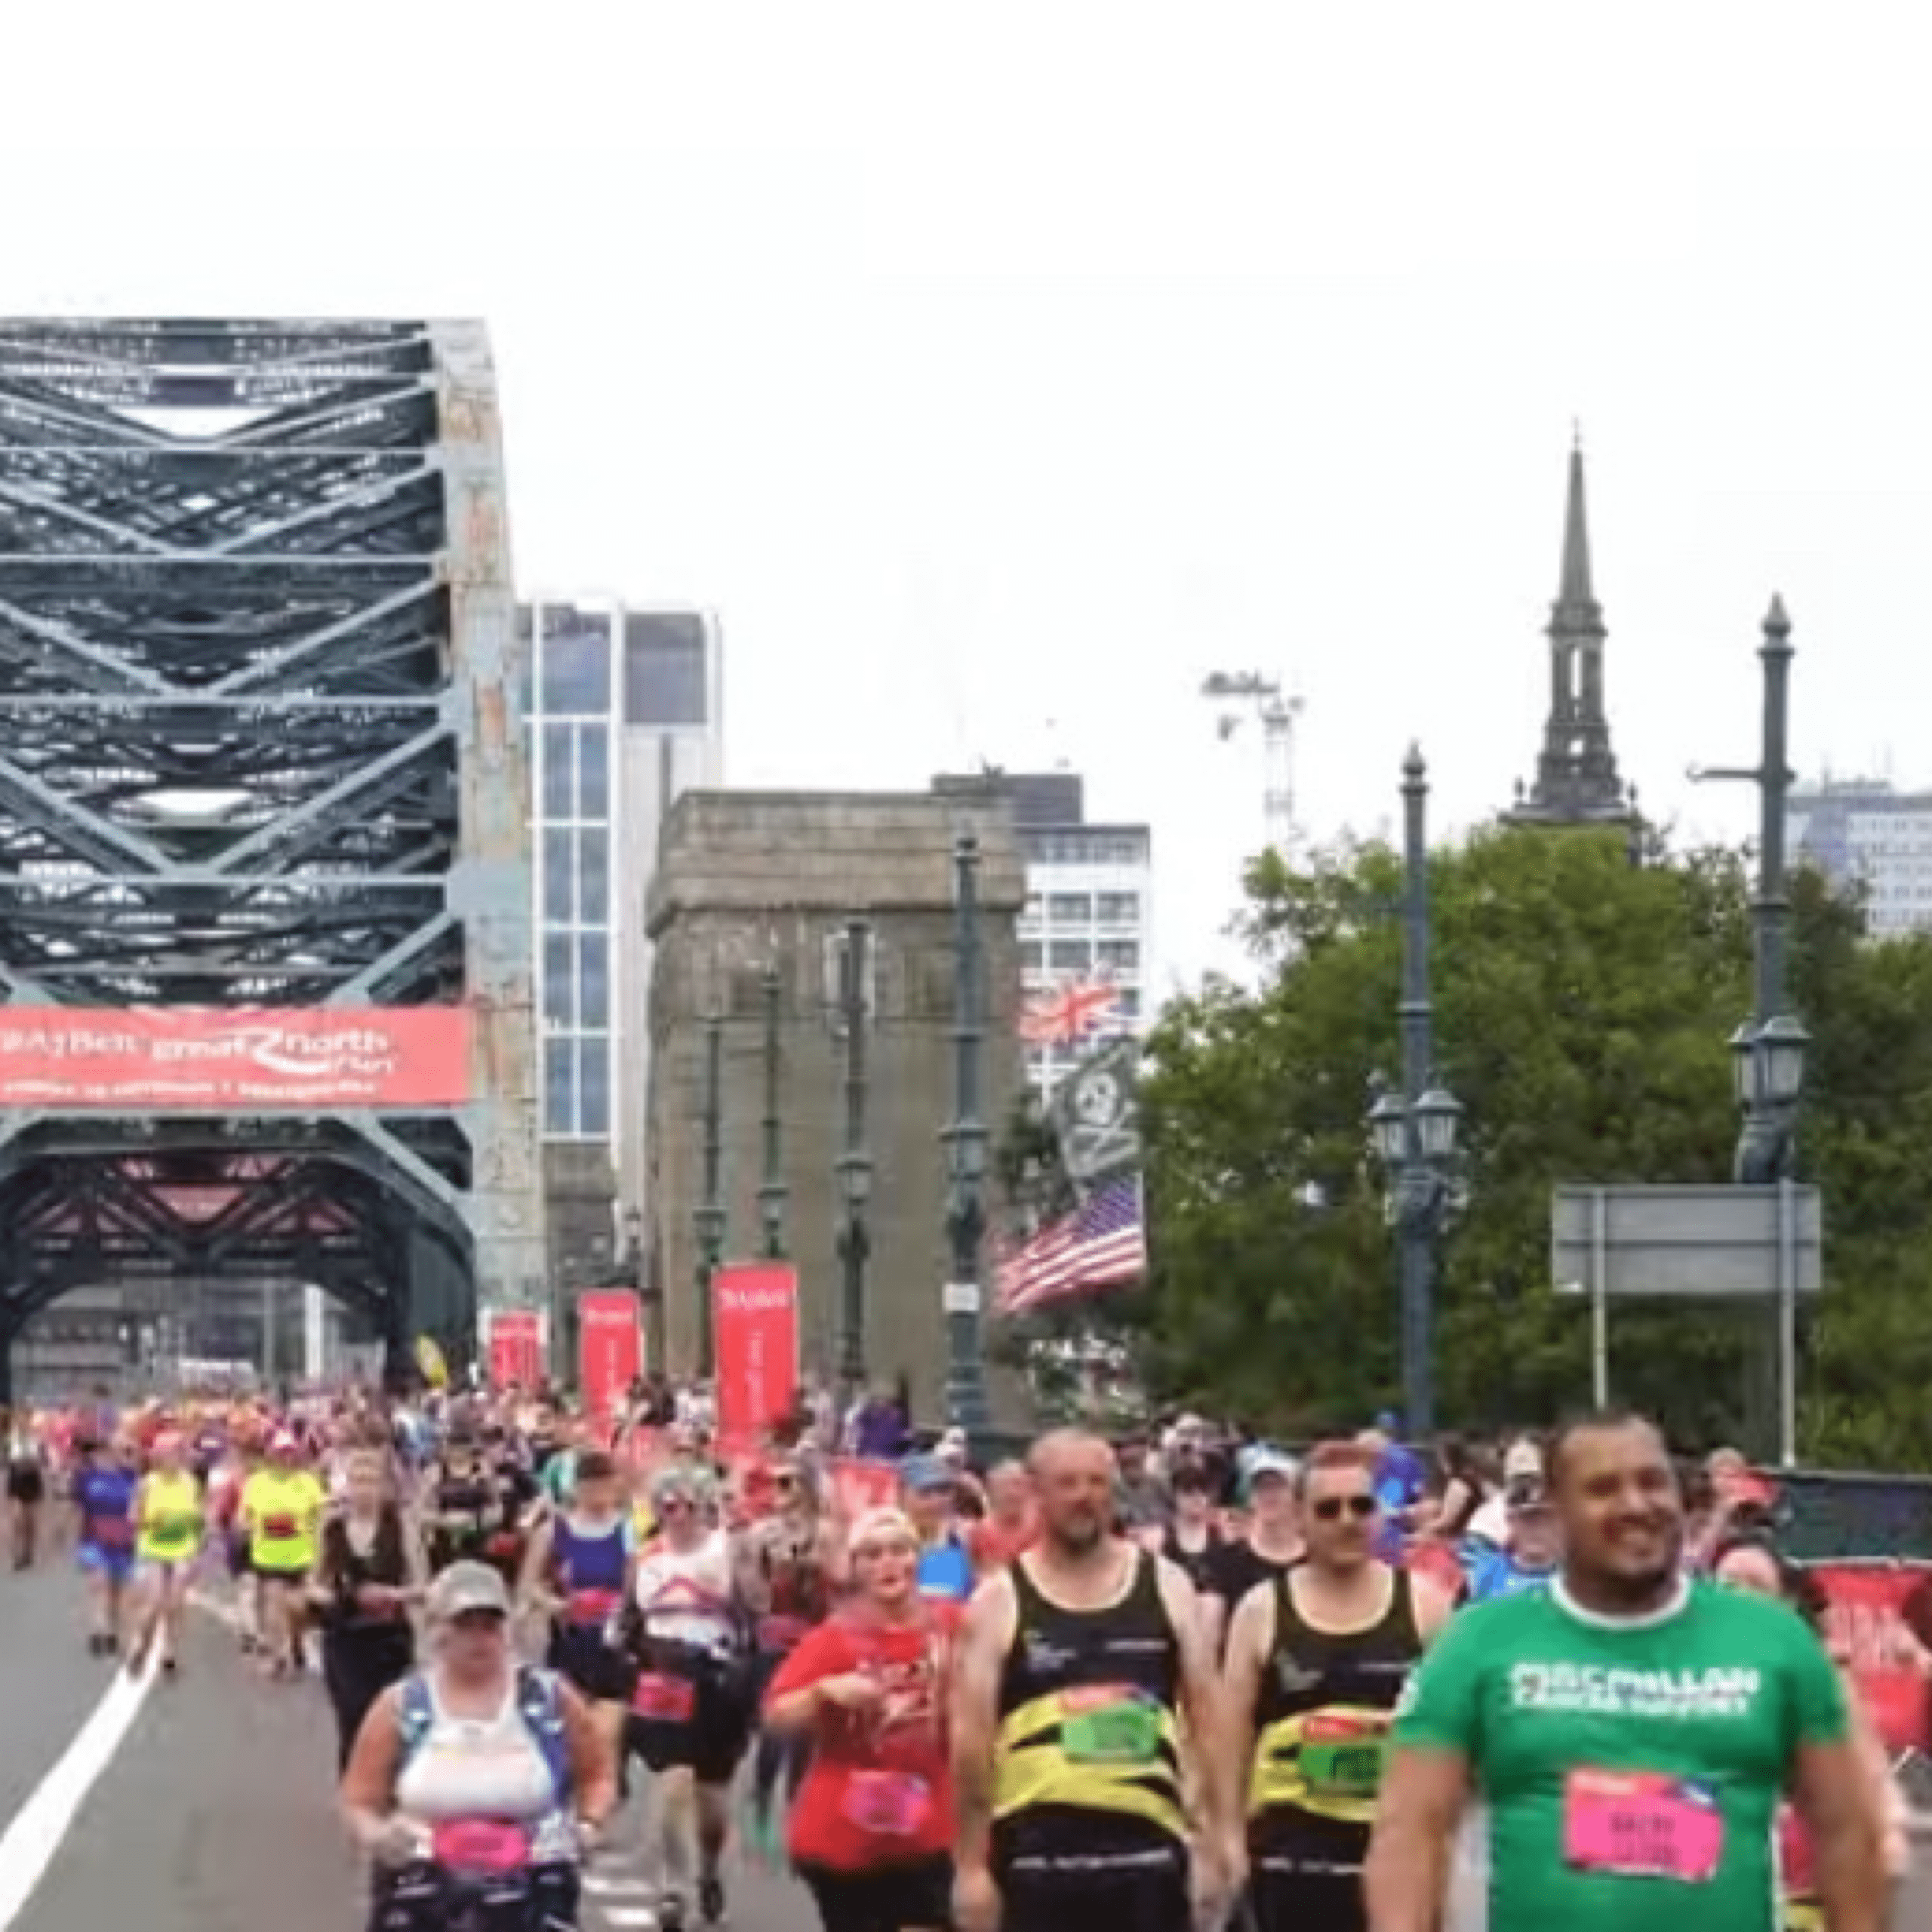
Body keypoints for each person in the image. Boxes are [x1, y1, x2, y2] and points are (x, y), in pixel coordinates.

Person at [1364, 1409, 1888, 1932]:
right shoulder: (1478, 1644)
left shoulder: (1772, 1640)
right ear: (1560, 1509)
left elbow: (1848, 1830)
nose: (1635, 1504)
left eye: (1652, 1482)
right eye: (1603, 1488)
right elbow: (1410, 1831)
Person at [949, 1428, 1231, 1932]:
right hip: (1039, 1864)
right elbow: (970, 1748)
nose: (1085, 1497)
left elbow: (1210, 1724)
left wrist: (1215, 1841)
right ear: (1037, 1493)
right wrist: (971, 1869)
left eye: (1098, 1483)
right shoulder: (998, 1602)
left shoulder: (1166, 1586)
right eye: (1068, 1483)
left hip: (1149, 1859)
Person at [340, 1561, 616, 1932]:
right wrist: (377, 1834)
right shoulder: (403, 1704)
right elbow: (360, 1798)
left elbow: (596, 1771)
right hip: (425, 1875)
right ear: (438, 1632)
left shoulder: (548, 1697)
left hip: (533, 1874)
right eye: (465, 1627)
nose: (479, 1639)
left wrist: (588, 1825)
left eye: (489, 1626)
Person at [765, 1506, 957, 1932]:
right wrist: (823, 1692)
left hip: (928, 1826)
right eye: (871, 1555)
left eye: (897, 1550)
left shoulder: (950, 1625)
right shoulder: (833, 1638)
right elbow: (777, 1717)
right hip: (844, 1833)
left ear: (917, 1558)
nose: (887, 1563)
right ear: (855, 1569)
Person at [1710, 1534, 1911, 1927]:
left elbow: (1870, 1785)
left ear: (1787, 1604)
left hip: (1806, 1902)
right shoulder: (1687, 1685)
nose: (1741, 1597)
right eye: (1728, 1585)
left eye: (1756, 1585)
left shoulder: (1822, 1682)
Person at [617, 1463, 751, 1929]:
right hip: (664, 1674)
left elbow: (755, 1608)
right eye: (669, 1506)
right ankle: (673, 1886)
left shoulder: (727, 1550)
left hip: (715, 1675)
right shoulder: (645, 1556)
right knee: (671, 1781)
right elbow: (625, 1615)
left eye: (690, 1505)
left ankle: (709, 1872)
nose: (680, 1515)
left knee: (712, 1799)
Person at [311, 1444, 426, 1771]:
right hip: (345, 1639)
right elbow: (313, 1584)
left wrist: (391, 1596)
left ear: (385, 1486)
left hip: (389, 1639)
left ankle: (387, 1790)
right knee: (352, 1717)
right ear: (346, 1484)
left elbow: (423, 1588)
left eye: (372, 1481)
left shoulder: (401, 1527)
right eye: (357, 1481)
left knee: (389, 1720)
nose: (364, 1489)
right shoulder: (331, 1528)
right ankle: (354, 1795)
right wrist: (339, 1597)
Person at [242, 1429, 327, 1677]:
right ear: (271, 1455)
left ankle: (297, 1638)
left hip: (300, 1556)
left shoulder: (307, 1483)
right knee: (273, 1604)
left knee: (298, 1608)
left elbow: (319, 1517)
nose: (285, 1458)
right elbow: (246, 1517)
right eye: (280, 1453)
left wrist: (317, 1547)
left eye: (290, 1452)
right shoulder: (257, 1483)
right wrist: (253, 1525)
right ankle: (279, 1655)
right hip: (268, 1555)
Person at [127, 1429, 206, 1677]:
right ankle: (141, 1643)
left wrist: (196, 1549)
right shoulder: (147, 1484)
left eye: (180, 1453)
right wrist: (156, 1523)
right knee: (153, 1604)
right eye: (171, 1453)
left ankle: (169, 1652)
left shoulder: (190, 1483)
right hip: (153, 1549)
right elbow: (133, 1518)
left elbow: (197, 1519)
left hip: (181, 1550)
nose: (176, 1458)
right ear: (158, 1457)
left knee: (175, 1605)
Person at [72, 1435, 140, 1657]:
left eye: (122, 1450)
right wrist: (72, 1535)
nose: (113, 1454)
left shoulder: (130, 1476)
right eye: (108, 1450)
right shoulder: (86, 1476)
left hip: (122, 1541)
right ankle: (97, 1633)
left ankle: (112, 1633)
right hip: (94, 1539)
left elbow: (138, 1509)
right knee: (98, 1585)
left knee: (117, 1592)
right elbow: (79, 1508)